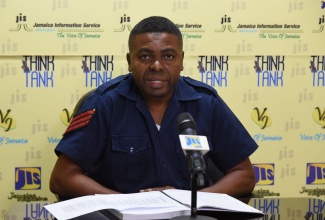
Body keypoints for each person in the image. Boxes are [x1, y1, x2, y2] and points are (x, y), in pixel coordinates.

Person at [49, 16, 258, 201]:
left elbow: (244, 174)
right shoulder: (104, 103)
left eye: (168, 56)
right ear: (130, 61)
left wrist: (188, 200)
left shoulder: (206, 103)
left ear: (182, 60)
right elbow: (62, 178)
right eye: (145, 56)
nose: (157, 65)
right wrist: (128, 202)